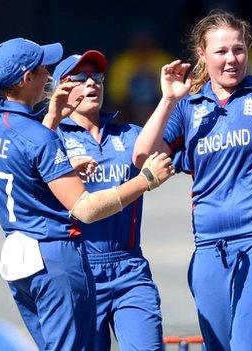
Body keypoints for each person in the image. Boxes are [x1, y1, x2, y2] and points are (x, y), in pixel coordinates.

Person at [0, 38, 174, 350]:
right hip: (59, 257)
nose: (46, 74)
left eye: (97, 78)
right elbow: (86, 208)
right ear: (29, 80)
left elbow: (31, 161)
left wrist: (169, 99)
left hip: (28, 254)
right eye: (43, 70)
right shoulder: (42, 137)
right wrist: (145, 180)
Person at [132, 11, 252, 351]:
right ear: (202, 54)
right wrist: (168, 100)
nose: (231, 59)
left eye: (238, 49)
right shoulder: (188, 106)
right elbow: (141, 157)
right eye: (221, 51)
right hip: (210, 246)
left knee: (247, 345)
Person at [45, 50, 166, 350]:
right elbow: (32, 174)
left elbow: (164, 146)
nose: (92, 84)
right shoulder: (51, 139)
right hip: (80, 273)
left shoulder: (127, 134)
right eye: (80, 78)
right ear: (61, 88)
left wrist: (170, 99)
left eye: (97, 77)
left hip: (130, 267)